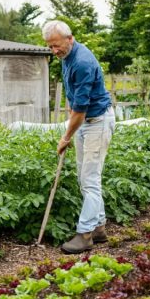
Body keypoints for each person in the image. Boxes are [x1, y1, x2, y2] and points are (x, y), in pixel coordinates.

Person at [42, 20, 115, 254]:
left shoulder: (82, 62)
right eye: (50, 47)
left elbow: (81, 110)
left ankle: (85, 235)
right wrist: (72, 126)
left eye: (57, 46)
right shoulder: (66, 57)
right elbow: (74, 100)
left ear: (70, 38)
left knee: (89, 180)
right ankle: (99, 228)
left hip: (97, 122)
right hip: (85, 122)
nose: (54, 51)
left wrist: (65, 137)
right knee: (86, 178)